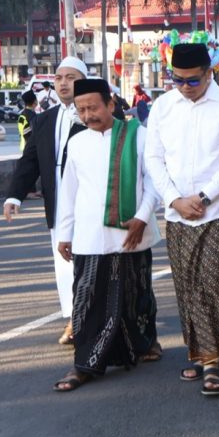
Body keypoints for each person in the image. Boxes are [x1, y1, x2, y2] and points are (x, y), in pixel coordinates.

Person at [145, 42, 219, 399]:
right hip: (177, 212)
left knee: (212, 284)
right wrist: (174, 199)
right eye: (178, 81)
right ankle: (198, 350)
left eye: (193, 81)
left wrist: (203, 197)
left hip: (216, 211)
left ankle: (211, 362)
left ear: (210, 74)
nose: (185, 87)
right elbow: (153, 159)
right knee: (186, 286)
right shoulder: (162, 106)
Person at [52, 79, 161, 392]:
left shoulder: (137, 136)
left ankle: (143, 344)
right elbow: (69, 192)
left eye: (93, 107)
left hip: (132, 231)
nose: (88, 115)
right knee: (86, 299)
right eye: (81, 109)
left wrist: (141, 217)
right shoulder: (77, 142)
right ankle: (84, 363)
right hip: (89, 235)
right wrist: (65, 233)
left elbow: (154, 181)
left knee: (137, 293)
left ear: (111, 104)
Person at [4, 57, 89, 345]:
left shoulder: (95, 116)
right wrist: (15, 195)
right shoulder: (44, 119)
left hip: (90, 203)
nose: (64, 83)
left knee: (92, 263)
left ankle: (93, 318)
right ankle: (73, 320)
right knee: (64, 264)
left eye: (71, 77)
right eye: (59, 77)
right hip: (57, 202)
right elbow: (29, 161)